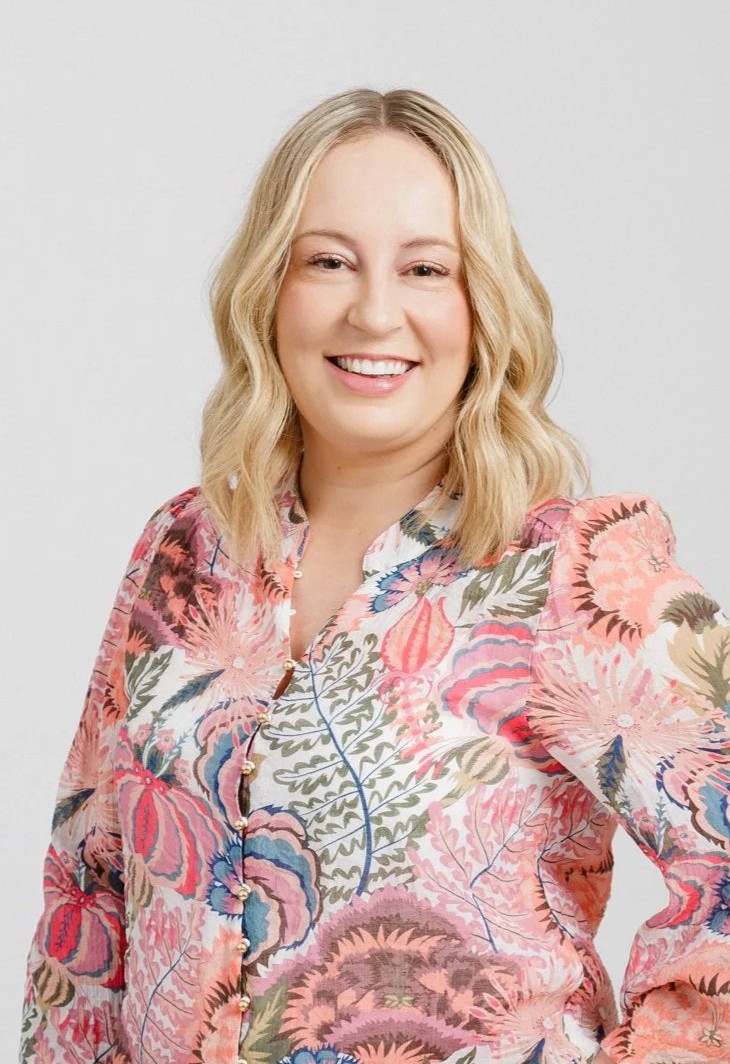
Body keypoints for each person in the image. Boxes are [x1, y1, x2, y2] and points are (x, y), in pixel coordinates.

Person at [19, 87, 729, 1064]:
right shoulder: (183, 551)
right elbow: (87, 901)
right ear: (270, 288)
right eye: (328, 261)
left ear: (481, 304)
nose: (375, 311)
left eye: (426, 268)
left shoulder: (572, 572)